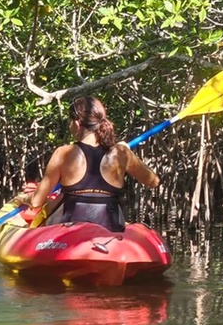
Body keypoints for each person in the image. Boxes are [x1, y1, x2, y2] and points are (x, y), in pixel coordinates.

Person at [17, 96, 159, 232]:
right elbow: (153, 181)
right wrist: (128, 153)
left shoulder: (63, 153)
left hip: (70, 229)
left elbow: (36, 202)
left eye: (70, 121)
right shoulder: (121, 153)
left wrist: (25, 198)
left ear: (77, 123)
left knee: (49, 210)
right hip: (112, 228)